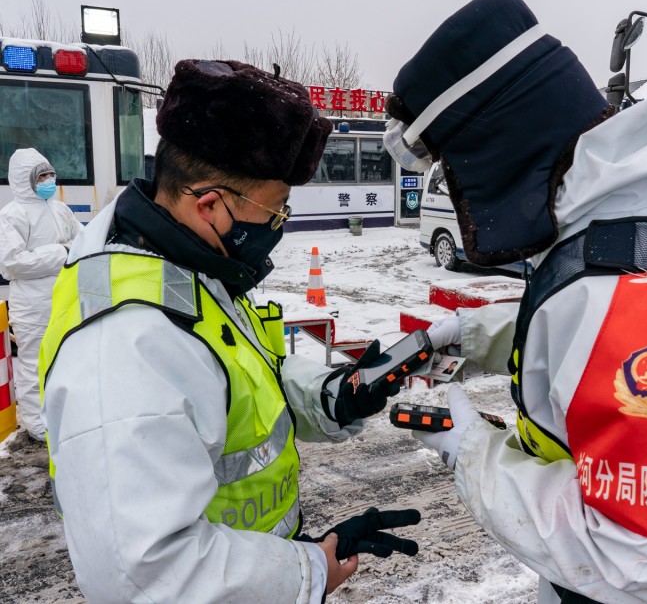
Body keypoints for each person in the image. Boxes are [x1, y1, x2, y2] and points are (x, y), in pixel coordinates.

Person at [384, 0, 647, 603]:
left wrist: (466, 445)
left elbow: (643, 565)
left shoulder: (626, 290)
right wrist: (469, 337)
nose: (461, 194)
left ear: (499, 148)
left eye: (454, 169)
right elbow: (591, 346)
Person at [40, 60, 420, 603]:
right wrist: (309, 571)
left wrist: (335, 397)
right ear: (211, 204)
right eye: (276, 211)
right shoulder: (124, 344)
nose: (279, 226)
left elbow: (239, 376)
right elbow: (144, 576)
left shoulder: (184, 266)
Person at [0, 149, 82, 441]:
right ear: (25, 181)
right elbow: (11, 263)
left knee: (65, 359)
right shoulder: (12, 215)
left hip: (65, 298)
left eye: (50, 174)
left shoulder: (60, 209)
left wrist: (70, 249)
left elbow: (82, 242)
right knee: (34, 363)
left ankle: (63, 414)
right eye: (41, 176)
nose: (49, 180)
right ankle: (36, 422)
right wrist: (60, 251)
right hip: (32, 306)